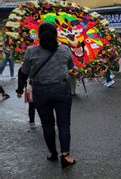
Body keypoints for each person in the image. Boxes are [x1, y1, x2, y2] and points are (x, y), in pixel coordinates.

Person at [16, 22, 76, 168]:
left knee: (47, 124)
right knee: (63, 124)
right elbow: (70, 66)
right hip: (61, 89)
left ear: (39, 35)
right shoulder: (65, 49)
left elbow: (23, 72)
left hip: (40, 92)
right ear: (56, 35)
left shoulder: (31, 51)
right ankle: (66, 156)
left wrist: (19, 89)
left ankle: (52, 153)